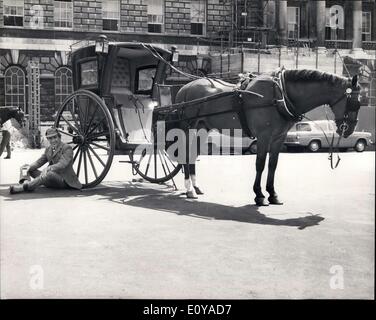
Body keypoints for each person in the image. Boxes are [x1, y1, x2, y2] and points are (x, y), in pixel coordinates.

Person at [9, 127, 82, 194]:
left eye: (55, 137)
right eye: (50, 138)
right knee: (25, 167)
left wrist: (48, 168)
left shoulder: (67, 148)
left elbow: (62, 164)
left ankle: (24, 188)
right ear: (48, 139)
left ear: (59, 137)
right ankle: (26, 182)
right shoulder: (48, 149)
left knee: (48, 173)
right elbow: (39, 162)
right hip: (50, 179)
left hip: (64, 181)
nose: (53, 140)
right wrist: (29, 167)